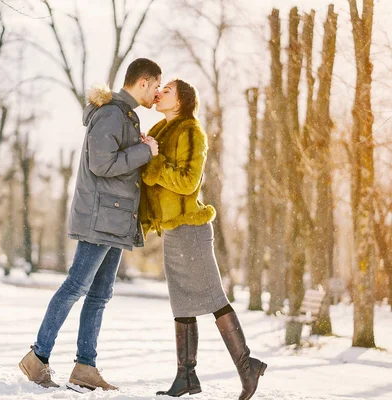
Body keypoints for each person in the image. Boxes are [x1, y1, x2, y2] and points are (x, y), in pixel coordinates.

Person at [19, 58, 161, 391]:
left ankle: (85, 367)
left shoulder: (124, 115)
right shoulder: (113, 114)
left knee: (99, 295)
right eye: (156, 86)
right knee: (76, 287)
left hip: (114, 218)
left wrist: (137, 147)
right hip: (101, 216)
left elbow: (114, 161)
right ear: (143, 82)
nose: (156, 94)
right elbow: (101, 165)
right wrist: (145, 152)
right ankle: (37, 357)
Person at [139, 79, 267, 399]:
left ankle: (245, 365)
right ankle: (186, 377)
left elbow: (187, 181)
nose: (160, 92)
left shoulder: (191, 132)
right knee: (181, 304)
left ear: (181, 100)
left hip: (191, 229)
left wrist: (153, 163)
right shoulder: (158, 132)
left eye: (167, 90)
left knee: (213, 299)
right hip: (172, 229)